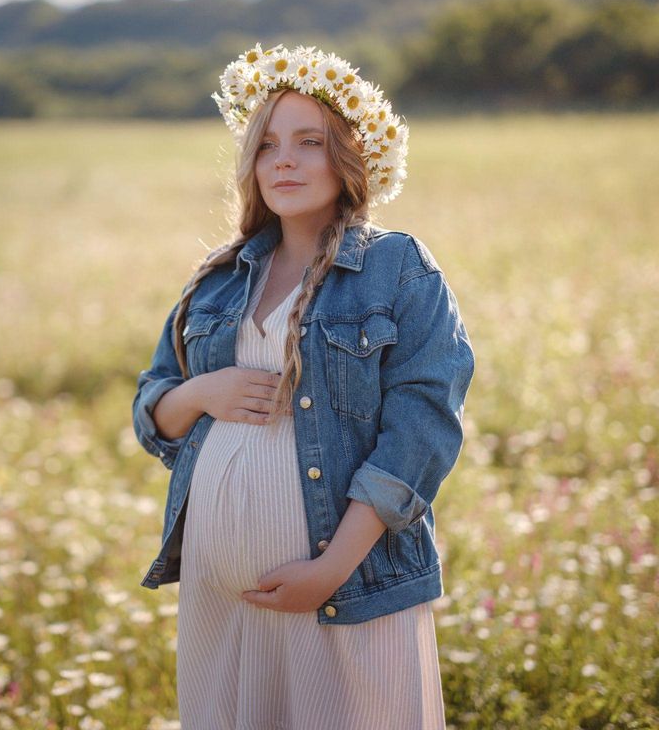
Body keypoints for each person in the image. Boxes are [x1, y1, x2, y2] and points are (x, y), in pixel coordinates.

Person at [131, 43, 476, 729]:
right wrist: (206, 394)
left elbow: (423, 429)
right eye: (267, 146)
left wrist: (331, 568)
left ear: (349, 156)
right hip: (218, 591)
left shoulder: (396, 266)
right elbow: (153, 407)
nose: (283, 161)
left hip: (344, 589)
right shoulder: (219, 276)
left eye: (309, 142)